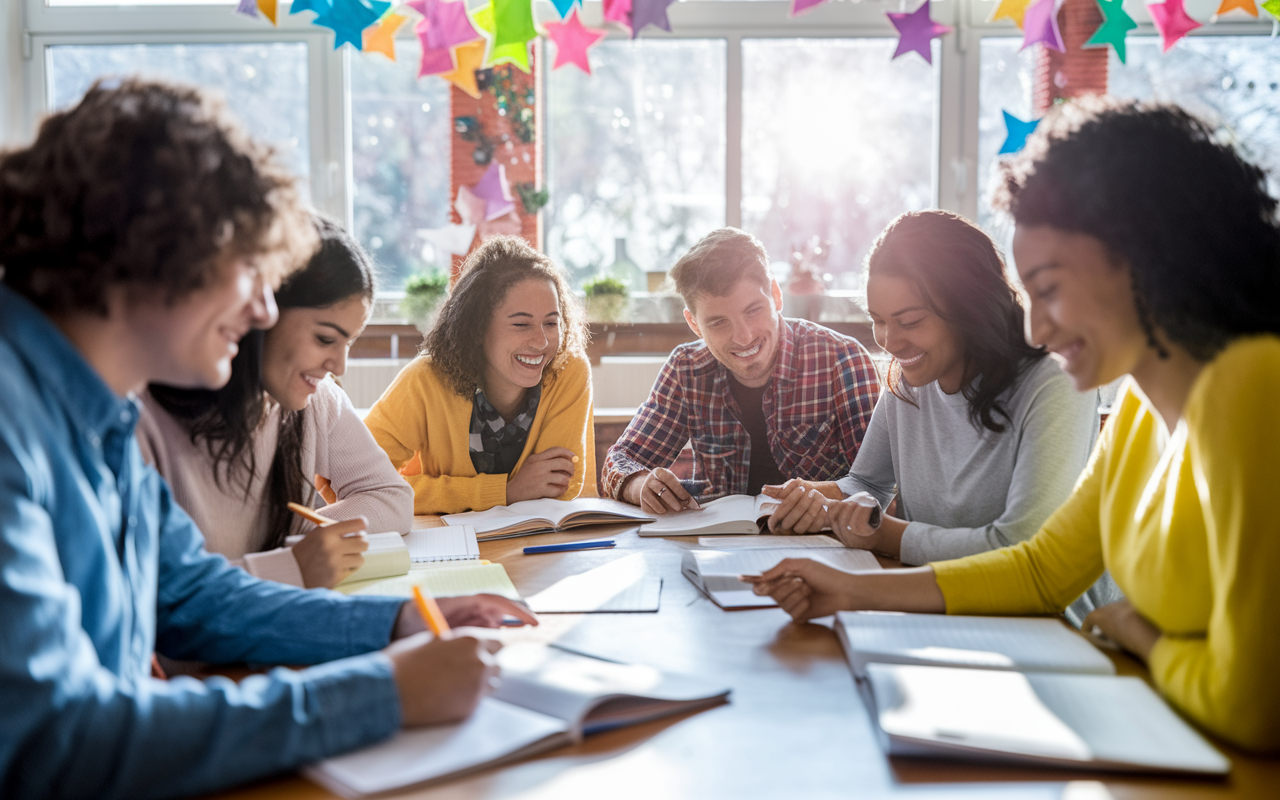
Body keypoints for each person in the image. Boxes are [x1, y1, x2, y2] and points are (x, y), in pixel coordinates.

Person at [0, 78, 533, 800]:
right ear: (158, 253)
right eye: (253, 271)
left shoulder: (101, 413)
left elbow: (192, 596)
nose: (260, 309)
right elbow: (54, 740)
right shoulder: (12, 422)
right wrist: (381, 692)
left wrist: (399, 622)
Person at [746, 99, 1280, 752]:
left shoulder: (1256, 386)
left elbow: (1254, 710)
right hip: (1162, 737)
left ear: (1149, 261)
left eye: (1050, 289)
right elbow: (1040, 569)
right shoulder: (1142, 410)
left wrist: (1141, 637)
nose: (1035, 328)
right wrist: (853, 589)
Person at [764, 210, 1116, 622]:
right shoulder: (911, 375)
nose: (891, 342)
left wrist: (890, 536)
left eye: (910, 321)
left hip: (1051, 625)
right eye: (878, 321)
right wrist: (815, 500)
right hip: (931, 604)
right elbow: (866, 482)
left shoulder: (1054, 379)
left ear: (969, 308)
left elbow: (1021, 549)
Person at [137, 215, 412, 589]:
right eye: (325, 339)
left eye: (349, 343)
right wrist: (289, 567)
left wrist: (311, 545)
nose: (338, 365)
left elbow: (393, 498)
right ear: (263, 310)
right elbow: (158, 593)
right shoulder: (147, 419)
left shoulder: (315, 400)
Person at [601, 227, 880, 517]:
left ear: (775, 295)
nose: (744, 337)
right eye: (719, 322)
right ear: (694, 324)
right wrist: (641, 484)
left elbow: (878, 485)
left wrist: (825, 501)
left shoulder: (842, 359)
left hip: (823, 545)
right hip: (718, 547)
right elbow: (621, 460)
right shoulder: (686, 369)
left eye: (753, 310)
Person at [365, 235, 595, 515]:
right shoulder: (424, 379)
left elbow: (560, 486)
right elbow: (357, 484)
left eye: (551, 323)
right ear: (476, 328)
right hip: (448, 550)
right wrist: (506, 492)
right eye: (521, 324)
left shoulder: (567, 370)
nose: (542, 342)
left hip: (537, 548)